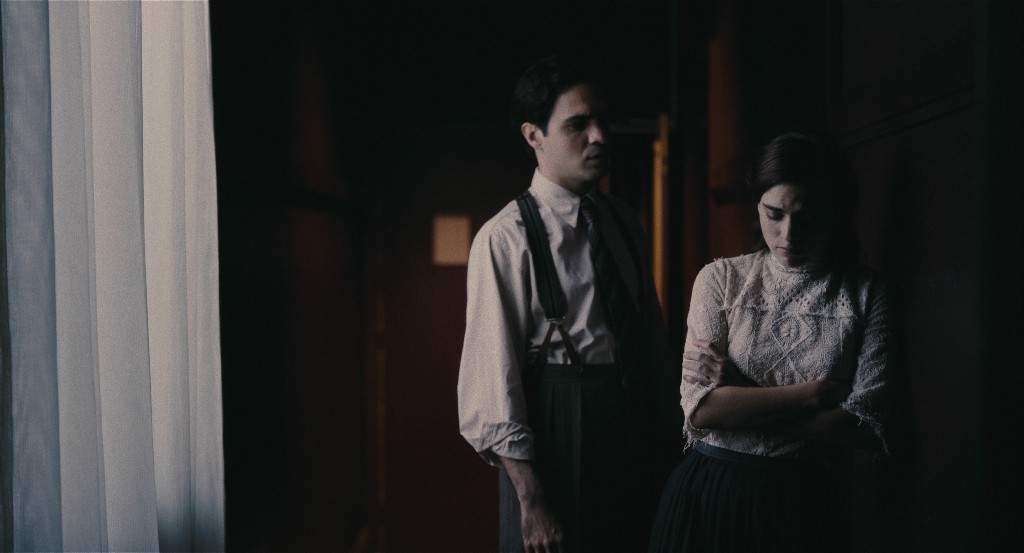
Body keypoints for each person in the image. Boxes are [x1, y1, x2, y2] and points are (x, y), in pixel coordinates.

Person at [457, 55, 681, 553]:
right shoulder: (505, 237)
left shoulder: (623, 222)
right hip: (555, 436)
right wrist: (531, 499)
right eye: (578, 125)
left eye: (602, 121)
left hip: (633, 429)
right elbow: (492, 385)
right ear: (533, 135)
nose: (599, 136)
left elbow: (652, 341)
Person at [648, 131, 895, 553]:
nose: (788, 234)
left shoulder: (866, 293)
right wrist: (814, 394)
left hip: (806, 502)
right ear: (756, 205)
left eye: (807, 216)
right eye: (774, 214)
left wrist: (741, 394)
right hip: (713, 491)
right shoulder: (721, 280)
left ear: (834, 210)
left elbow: (864, 429)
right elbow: (703, 410)